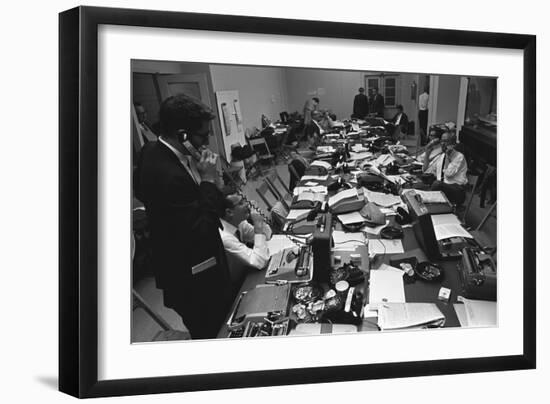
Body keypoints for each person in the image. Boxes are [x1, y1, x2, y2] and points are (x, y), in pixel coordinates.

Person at [134, 93, 231, 340]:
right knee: (212, 332)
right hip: (194, 281)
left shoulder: (150, 150)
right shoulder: (168, 175)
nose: (207, 142)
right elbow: (202, 229)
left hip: (178, 266)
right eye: (203, 135)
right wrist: (208, 181)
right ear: (183, 135)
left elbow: (145, 193)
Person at [219, 193, 272, 286]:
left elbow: (267, 235)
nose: (247, 204)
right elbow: (259, 262)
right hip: (238, 286)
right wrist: (258, 225)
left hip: (249, 273)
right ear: (229, 212)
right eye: (241, 203)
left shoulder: (239, 223)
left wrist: (259, 221)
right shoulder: (225, 237)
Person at [422, 131, 468, 205]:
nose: (442, 144)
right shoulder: (442, 156)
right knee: (425, 180)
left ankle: (428, 204)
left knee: (437, 184)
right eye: (442, 141)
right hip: (441, 189)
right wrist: (427, 153)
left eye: (446, 141)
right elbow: (426, 171)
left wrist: (448, 157)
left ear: (453, 144)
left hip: (457, 192)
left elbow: (448, 174)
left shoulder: (459, 157)